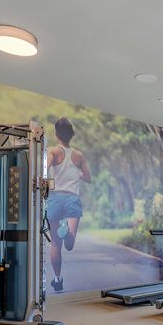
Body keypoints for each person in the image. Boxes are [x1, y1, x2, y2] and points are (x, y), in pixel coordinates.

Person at [46, 118, 91, 291]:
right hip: (72, 198)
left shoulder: (52, 151)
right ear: (71, 135)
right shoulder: (78, 155)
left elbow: (44, 169)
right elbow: (88, 178)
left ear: (56, 134)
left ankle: (58, 279)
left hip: (55, 198)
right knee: (69, 245)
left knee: (55, 245)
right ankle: (67, 231)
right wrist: (76, 173)